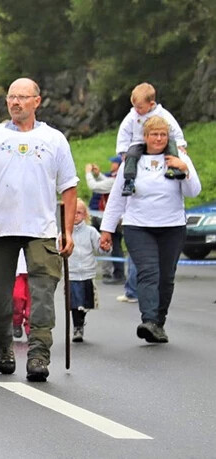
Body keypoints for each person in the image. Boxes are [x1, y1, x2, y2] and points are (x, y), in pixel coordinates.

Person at [0, 78, 78, 382]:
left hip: (41, 228)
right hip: (0, 229)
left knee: (43, 293)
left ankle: (38, 354)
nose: (16, 102)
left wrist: (67, 231)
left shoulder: (54, 139)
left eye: (23, 97)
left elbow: (68, 187)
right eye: (12, 97)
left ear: (37, 101)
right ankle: (3, 346)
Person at [100, 116, 200, 343]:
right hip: (138, 226)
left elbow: (193, 191)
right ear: (145, 137)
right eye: (154, 134)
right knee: (148, 271)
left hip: (172, 226)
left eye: (163, 134)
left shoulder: (179, 156)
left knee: (166, 277)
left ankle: (158, 322)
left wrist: (184, 169)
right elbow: (116, 199)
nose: (159, 138)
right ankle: (149, 320)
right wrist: (107, 230)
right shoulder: (132, 160)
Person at [117, 83, 187, 196]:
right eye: (135, 107)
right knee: (131, 156)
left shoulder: (161, 113)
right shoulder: (133, 115)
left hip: (161, 142)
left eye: (140, 107)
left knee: (172, 149)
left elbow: (174, 128)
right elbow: (124, 132)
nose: (137, 110)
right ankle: (129, 181)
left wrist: (180, 143)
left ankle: (173, 169)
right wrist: (123, 150)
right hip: (139, 142)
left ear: (151, 104)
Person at [66, 199, 109, 342]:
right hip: (72, 274)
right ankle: (77, 328)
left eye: (79, 212)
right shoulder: (65, 233)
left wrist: (105, 248)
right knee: (74, 304)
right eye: (73, 212)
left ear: (85, 215)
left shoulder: (91, 232)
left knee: (85, 303)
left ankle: (81, 320)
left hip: (87, 273)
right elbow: (58, 249)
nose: (75, 215)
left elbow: (100, 249)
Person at [85, 156, 125, 284]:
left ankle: (118, 274)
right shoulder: (118, 178)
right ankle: (118, 274)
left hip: (115, 219)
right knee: (116, 244)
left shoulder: (115, 180)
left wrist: (88, 173)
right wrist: (98, 175)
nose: (111, 164)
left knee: (115, 245)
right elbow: (108, 182)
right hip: (119, 218)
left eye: (114, 163)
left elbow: (94, 186)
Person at [12, 249, 30, 339]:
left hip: (34, 270)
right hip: (18, 269)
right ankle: (16, 322)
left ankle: (30, 327)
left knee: (32, 303)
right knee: (17, 297)